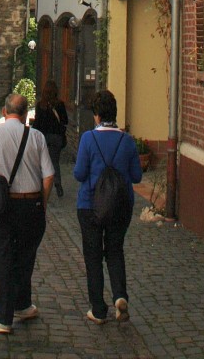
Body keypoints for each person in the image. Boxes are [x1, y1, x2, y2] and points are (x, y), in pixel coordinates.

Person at [0, 93, 54, 334]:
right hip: (30, 204)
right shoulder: (36, 137)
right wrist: (42, 203)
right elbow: (48, 176)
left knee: (0, 256)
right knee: (25, 256)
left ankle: (3, 317)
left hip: (0, 206)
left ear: (4, 111)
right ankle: (22, 305)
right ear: (25, 114)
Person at [73, 89, 142, 324]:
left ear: (97, 115)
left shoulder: (88, 139)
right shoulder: (127, 140)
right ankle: (120, 296)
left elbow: (79, 173)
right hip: (120, 206)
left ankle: (98, 309)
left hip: (90, 205)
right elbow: (137, 176)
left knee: (92, 256)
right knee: (115, 250)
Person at [31, 79, 68, 198]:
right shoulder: (60, 104)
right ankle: (58, 184)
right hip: (56, 138)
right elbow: (65, 121)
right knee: (55, 162)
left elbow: (37, 123)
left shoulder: (40, 105)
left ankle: (43, 186)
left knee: (42, 162)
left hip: (43, 138)